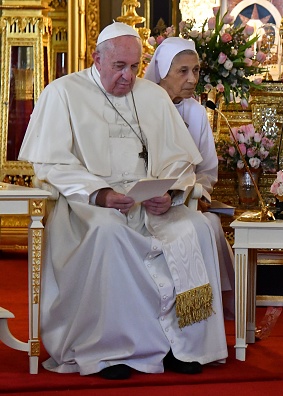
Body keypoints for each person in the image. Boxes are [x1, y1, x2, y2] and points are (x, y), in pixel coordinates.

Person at [18, 22, 228, 380]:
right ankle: (108, 351)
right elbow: (50, 162)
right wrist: (100, 193)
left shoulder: (153, 96)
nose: (128, 77)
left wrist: (171, 191)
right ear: (97, 59)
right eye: (119, 67)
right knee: (108, 233)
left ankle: (180, 346)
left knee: (197, 226)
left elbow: (180, 158)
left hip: (148, 205)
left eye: (134, 67)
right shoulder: (63, 93)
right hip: (87, 207)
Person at [144, 37, 235, 320]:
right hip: (145, 206)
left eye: (196, 70)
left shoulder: (195, 112)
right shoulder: (140, 106)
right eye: (182, 71)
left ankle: (198, 319)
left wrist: (195, 193)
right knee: (199, 229)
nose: (192, 78)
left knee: (207, 227)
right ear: (162, 71)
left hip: (184, 204)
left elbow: (206, 170)